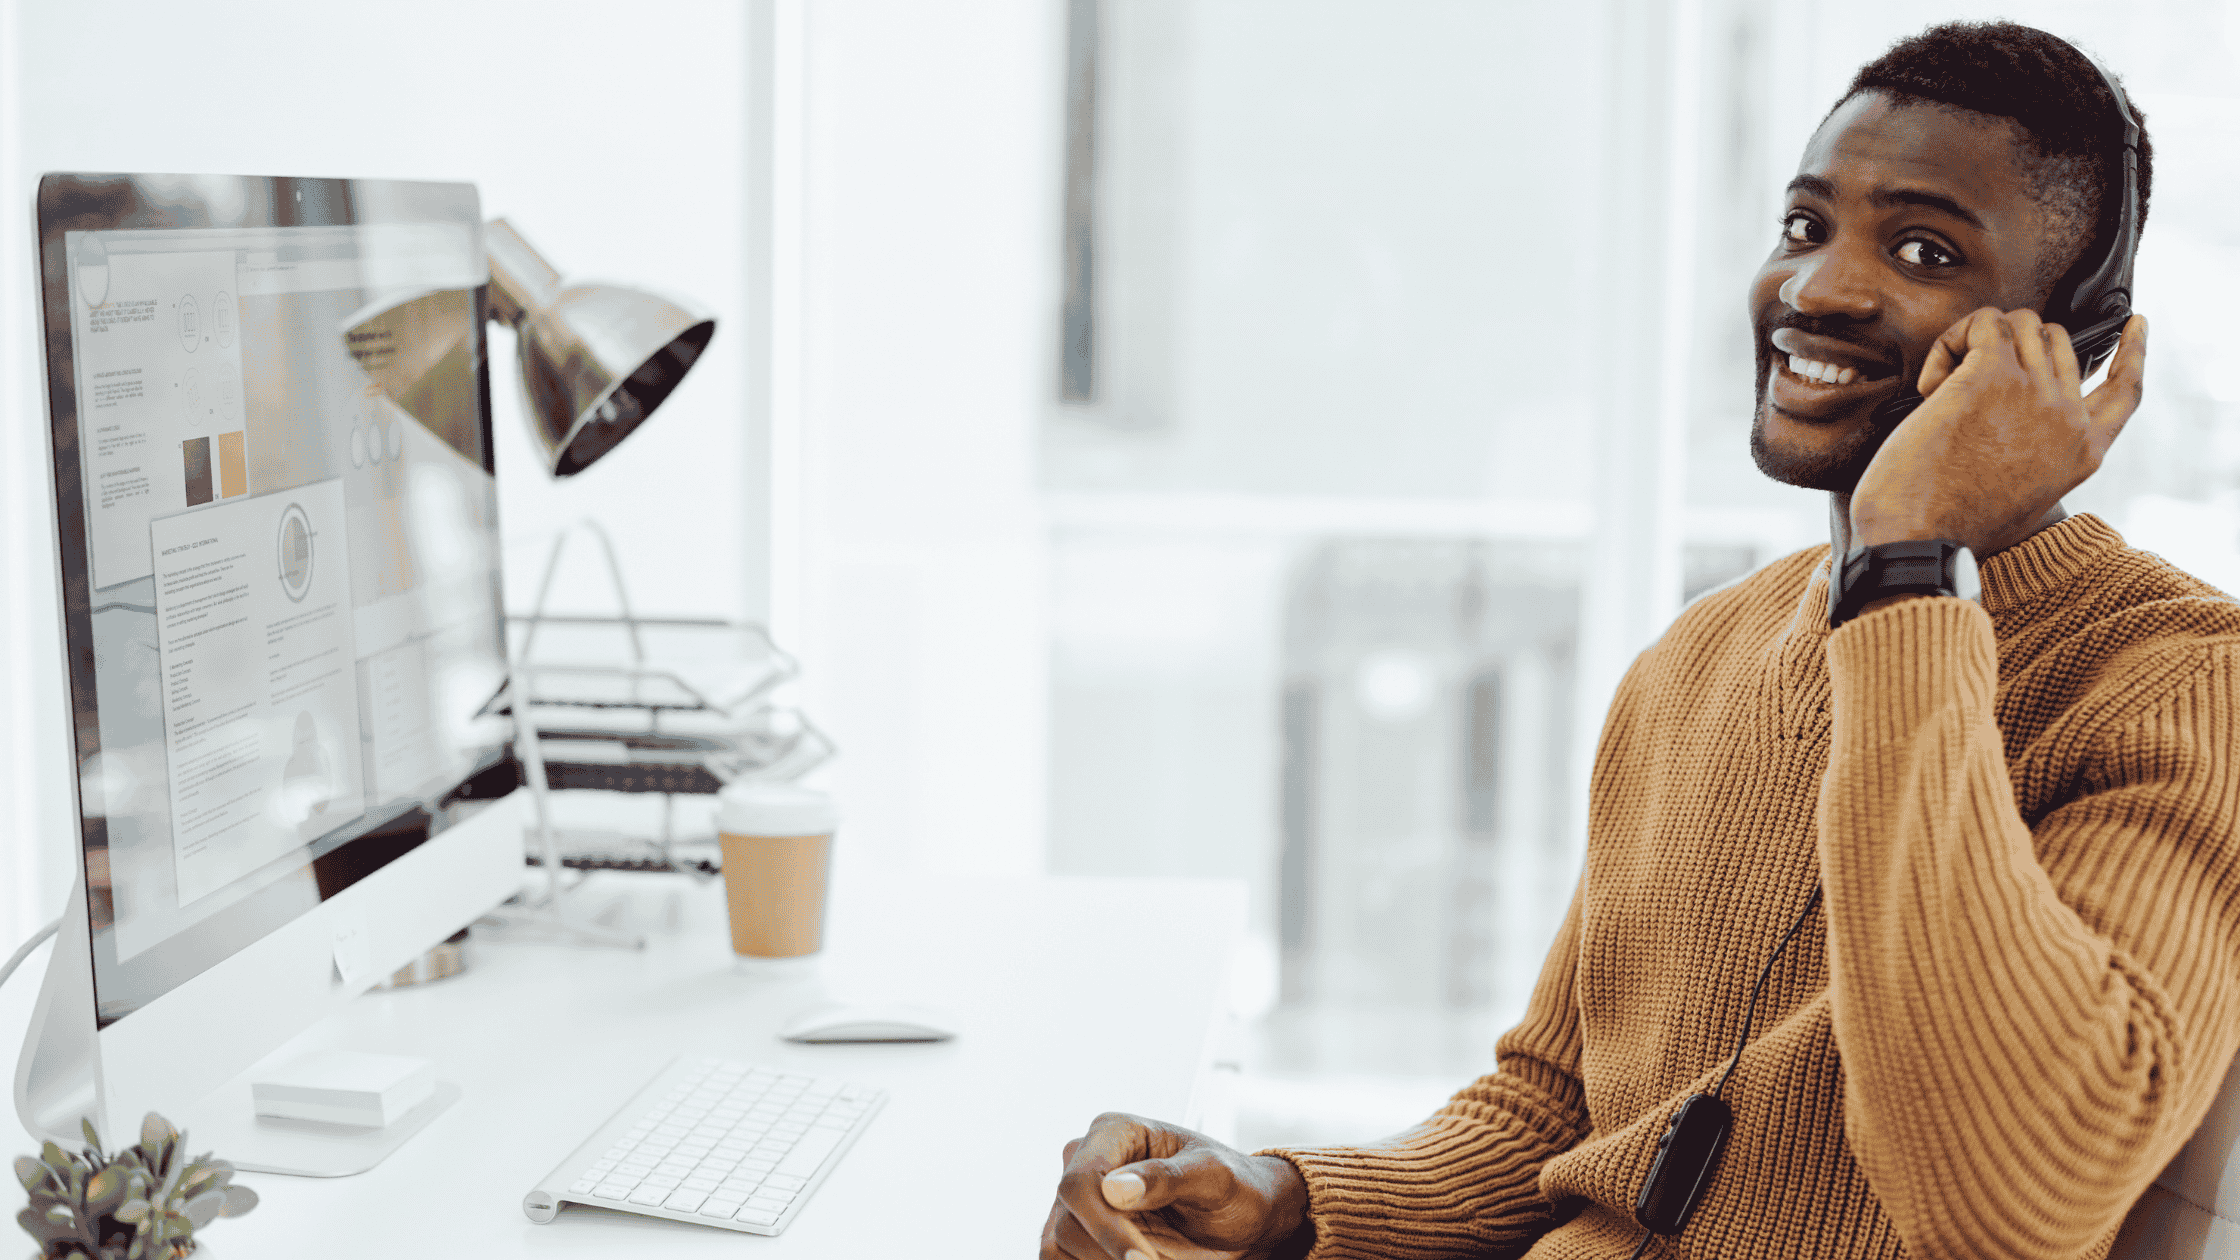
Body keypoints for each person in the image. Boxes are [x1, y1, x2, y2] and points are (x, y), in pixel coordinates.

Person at [1041, 21, 2240, 1260]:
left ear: (2067, 342)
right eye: (1801, 225)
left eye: (1922, 249)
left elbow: (2014, 1201)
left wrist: (1906, 572)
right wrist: (1290, 1201)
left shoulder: (2184, 684)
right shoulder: (1702, 655)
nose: (1817, 288)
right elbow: (1557, 1113)